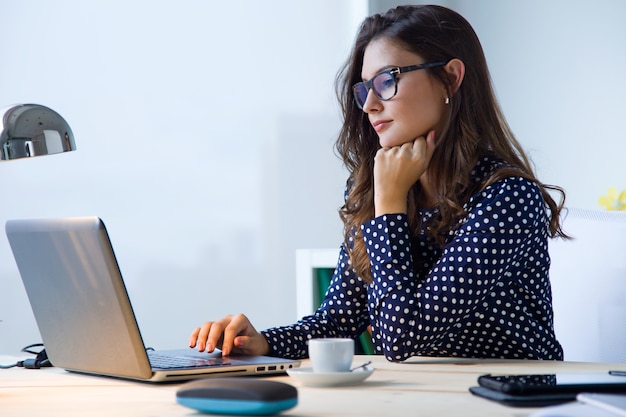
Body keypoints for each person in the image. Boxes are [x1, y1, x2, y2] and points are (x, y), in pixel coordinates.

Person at [189, 4, 567, 362]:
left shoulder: (507, 197)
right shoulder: (379, 187)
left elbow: (399, 339)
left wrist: (389, 204)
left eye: (387, 80)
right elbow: (337, 322)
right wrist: (261, 342)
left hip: (511, 402)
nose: (369, 104)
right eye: (364, 88)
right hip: (420, 399)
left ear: (450, 78)